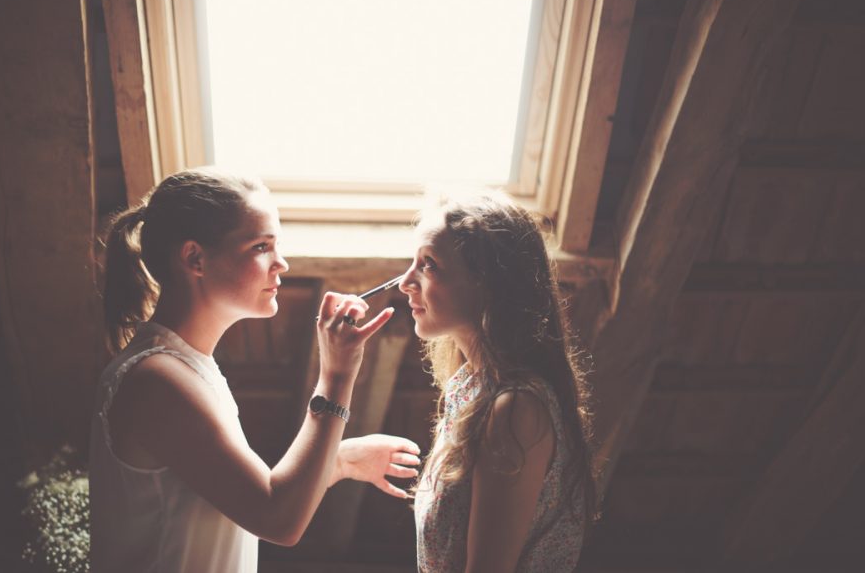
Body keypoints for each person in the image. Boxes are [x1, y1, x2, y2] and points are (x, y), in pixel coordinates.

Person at [89, 167, 421, 573]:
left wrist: (343, 461)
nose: (281, 263)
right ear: (196, 258)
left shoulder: (188, 366)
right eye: (261, 246)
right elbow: (277, 519)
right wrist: (336, 375)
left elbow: (241, 494)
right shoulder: (159, 381)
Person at [400, 189, 598, 573]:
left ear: (486, 282)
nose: (406, 281)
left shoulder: (516, 410)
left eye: (429, 265)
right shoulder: (469, 387)